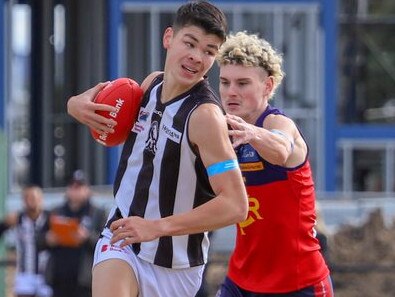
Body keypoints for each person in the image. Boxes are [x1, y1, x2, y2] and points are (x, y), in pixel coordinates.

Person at [66, 1, 248, 297]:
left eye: (209, 51)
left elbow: (235, 205)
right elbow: (96, 100)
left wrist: (157, 227)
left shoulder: (204, 117)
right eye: (190, 43)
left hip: (175, 266)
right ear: (168, 38)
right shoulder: (149, 85)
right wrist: (74, 104)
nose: (196, 57)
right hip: (121, 235)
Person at [215, 31, 334, 296]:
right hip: (240, 282)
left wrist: (252, 133)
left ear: (268, 86)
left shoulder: (278, 124)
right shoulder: (222, 131)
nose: (231, 92)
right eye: (224, 82)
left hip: (298, 284)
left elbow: (280, 149)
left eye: (242, 83)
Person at [37, 170, 107, 297]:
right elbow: (38, 241)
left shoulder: (98, 213)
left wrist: (86, 237)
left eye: (79, 186)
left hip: (85, 281)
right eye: (72, 186)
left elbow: (107, 243)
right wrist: (48, 239)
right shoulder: (55, 212)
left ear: (87, 189)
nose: (75, 190)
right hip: (59, 280)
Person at [0, 185, 52, 297]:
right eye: (27, 198)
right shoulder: (18, 218)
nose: (31, 201)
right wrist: (5, 222)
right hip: (25, 274)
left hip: (46, 274)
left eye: (34, 198)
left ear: (41, 199)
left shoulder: (50, 218)